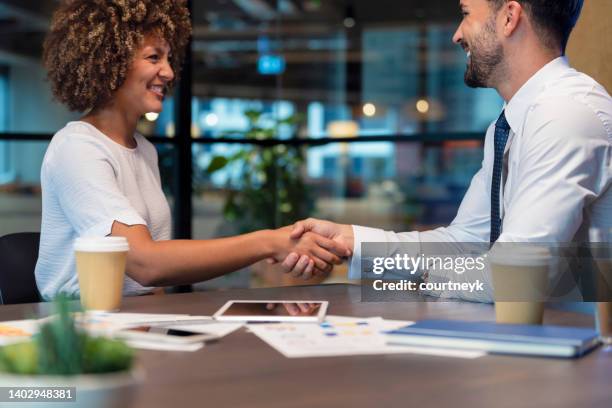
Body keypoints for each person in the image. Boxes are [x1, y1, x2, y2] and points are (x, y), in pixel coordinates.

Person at [282, 0, 611, 302]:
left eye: (466, 13)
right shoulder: (512, 123)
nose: (456, 35)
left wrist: (421, 278)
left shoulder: (565, 115)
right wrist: (353, 242)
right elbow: (465, 243)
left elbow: (515, 277)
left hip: (585, 355)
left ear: (509, 18)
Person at [35, 0, 350, 301]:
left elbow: (149, 283)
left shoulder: (143, 150)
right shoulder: (78, 148)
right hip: (82, 331)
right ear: (110, 60)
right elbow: (145, 264)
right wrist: (269, 242)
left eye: (169, 59)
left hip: (136, 322)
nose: (169, 73)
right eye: (154, 57)